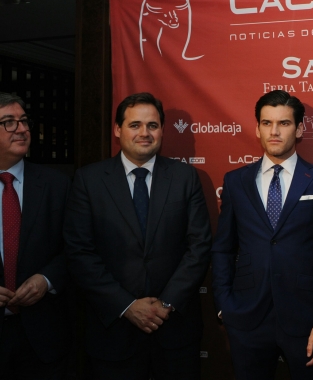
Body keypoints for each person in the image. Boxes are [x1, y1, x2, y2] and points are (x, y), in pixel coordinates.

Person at [63, 92, 212, 379]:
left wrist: (166, 304)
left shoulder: (185, 177)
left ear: (162, 130)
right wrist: (127, 306)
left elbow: (200, 246)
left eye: (152, 125)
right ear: (118, 130)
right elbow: (79, 252)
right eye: (135, 125)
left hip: (175, 331)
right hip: (114, 331)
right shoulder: (89, 180)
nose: (144, 133)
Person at [212, 90, 313, 380]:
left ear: (299, 129)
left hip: (307, 320)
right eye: (267, 123)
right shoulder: (236, 181)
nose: (274, 131)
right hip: (246, 318)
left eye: (284, 123)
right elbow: (223, 249)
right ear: (258, 128)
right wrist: (225, 306)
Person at [0, 93, 72, 379]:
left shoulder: (57, 185)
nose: (21, 129)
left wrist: (47, 279)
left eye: (24, 121)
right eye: (9, 122)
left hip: (43, 337)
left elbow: (76, 249)